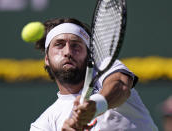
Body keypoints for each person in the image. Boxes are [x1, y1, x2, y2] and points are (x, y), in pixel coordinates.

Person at [30, 18, 158, 131]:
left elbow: (120, 86)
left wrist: (96, 106)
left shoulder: (105, 66)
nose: (68, 51)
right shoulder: (43, 125)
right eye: (59, 45)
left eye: (76, 45)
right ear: (46, 58)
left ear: (88, 55)